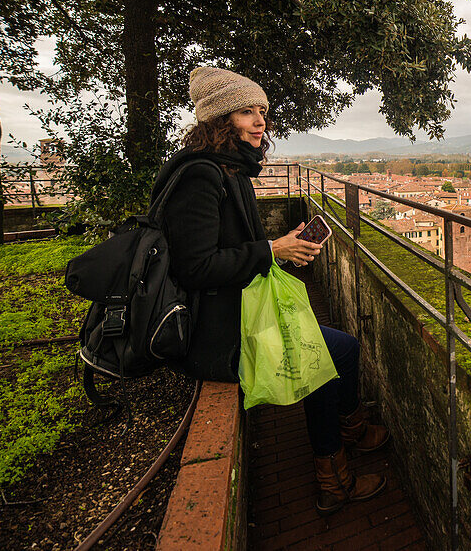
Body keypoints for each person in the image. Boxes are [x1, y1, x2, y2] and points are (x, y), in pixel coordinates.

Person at [153, 66, 389, 516]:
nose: (261, 121)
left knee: (330, 352)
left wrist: (280, 249)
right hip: (215, 330)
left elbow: (234, 249)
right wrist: (271, 249)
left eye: (262, 110)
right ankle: (335, 470)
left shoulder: (228, 170)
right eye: (246, 111)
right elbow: (196, 266)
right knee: (333, 353)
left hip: (237, 311)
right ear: (219, 120)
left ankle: (345, 442)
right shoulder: (201, 177)